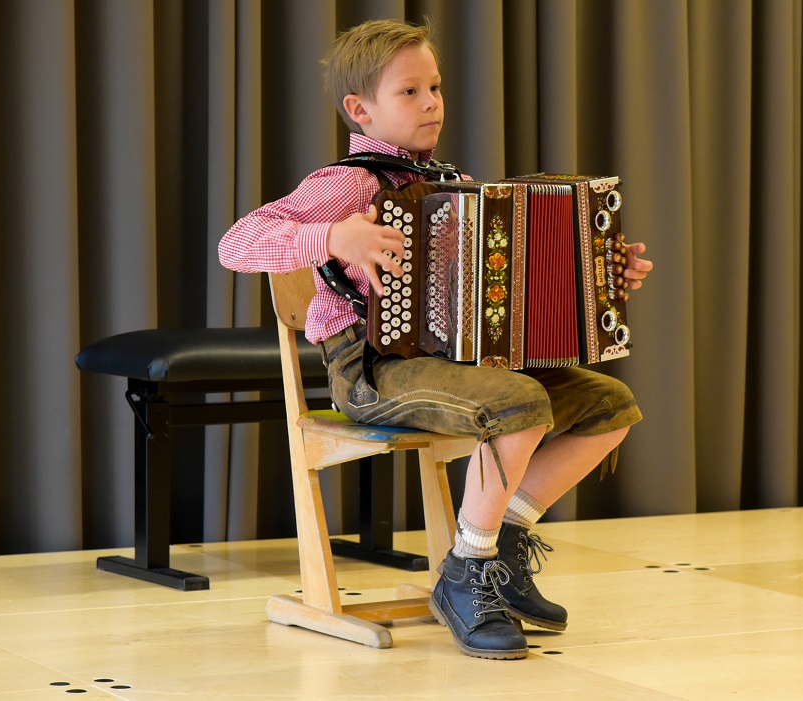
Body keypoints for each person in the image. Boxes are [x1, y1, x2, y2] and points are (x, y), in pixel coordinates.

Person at [219, 18, 653, 660]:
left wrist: (599, 275)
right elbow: (237, 242)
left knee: (609, 405)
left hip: (451, 365)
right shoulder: (347, 185)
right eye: (410, 92)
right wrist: (334, 237)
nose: (431, 104)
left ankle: (499, 542)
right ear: (359, 109)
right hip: (370, 371)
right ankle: (466, 573)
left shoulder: (450, 186)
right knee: (517, 404)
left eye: (436, 88)